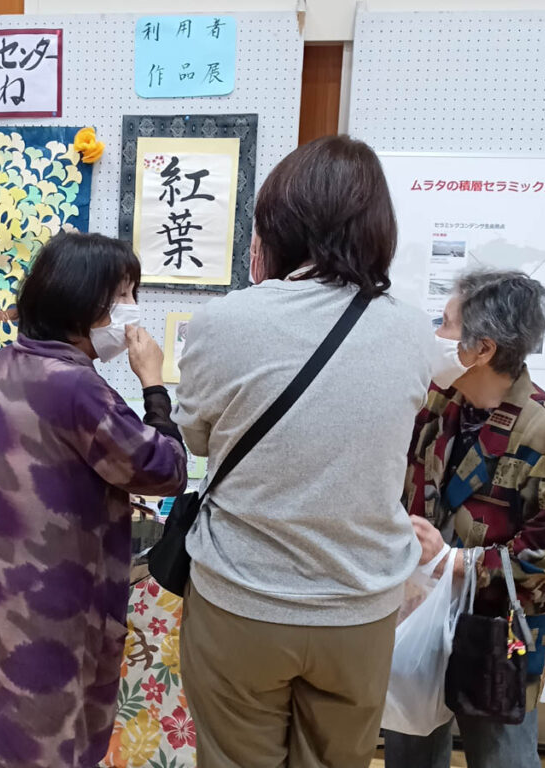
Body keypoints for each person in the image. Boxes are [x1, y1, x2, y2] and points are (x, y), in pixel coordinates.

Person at [175, 135, 436, 768]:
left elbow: (195, 441)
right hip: (361, 605)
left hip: (241, 597)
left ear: (276, 225)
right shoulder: (411, 329)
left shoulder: (223, 321)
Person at [0, 232, 188, 768]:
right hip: (43, 597)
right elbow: (163, 468)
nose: (130, 311)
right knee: (44, 736)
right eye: (122, 296)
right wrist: (154, 383)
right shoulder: (76, 386)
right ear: (85, 303)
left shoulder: (8, 361)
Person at [386, 270, 545, 768]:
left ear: (483, 349)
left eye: (448, 323)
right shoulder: (435, 400)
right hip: (418, 611)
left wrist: (454, 561)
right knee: (409, 747)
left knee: (503, 756)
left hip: (500, 632)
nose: (437, 333)